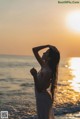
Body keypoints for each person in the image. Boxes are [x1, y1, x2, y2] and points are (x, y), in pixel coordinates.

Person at [30, 45, 60, 119]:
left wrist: (34, 75)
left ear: (49, 58)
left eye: (46, 53)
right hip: (41, 98)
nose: (43, 53)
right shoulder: (44, 66)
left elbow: (39, 88)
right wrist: (47, 45)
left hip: (43, 99)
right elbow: (34, 49)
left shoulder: (47, 71)